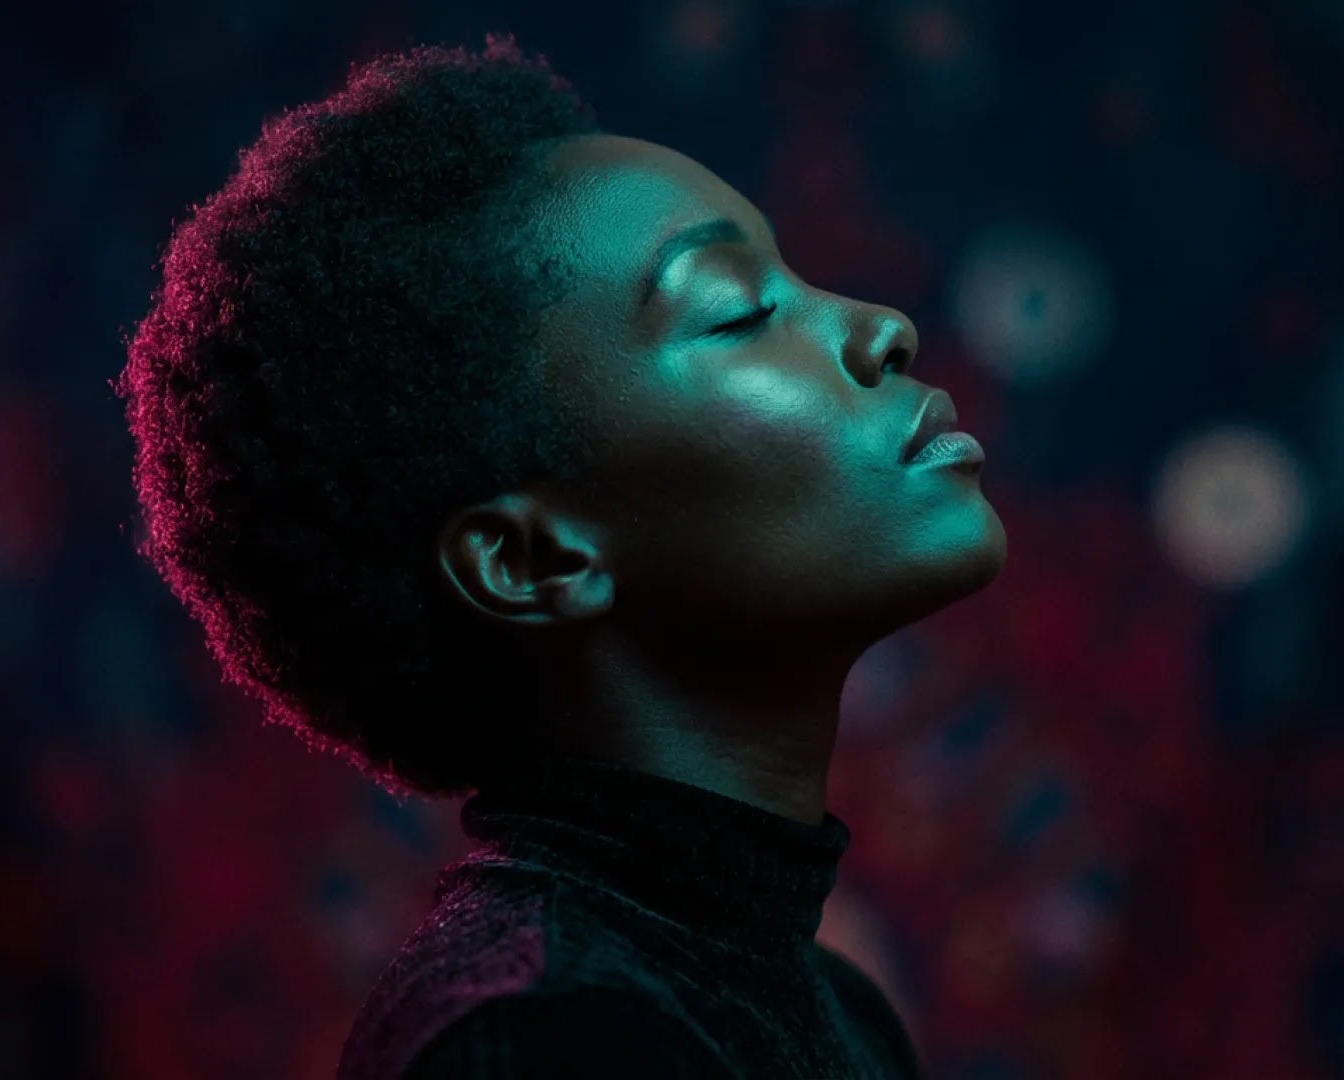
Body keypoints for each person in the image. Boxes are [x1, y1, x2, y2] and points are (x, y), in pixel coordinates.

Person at [114, 30, 1006, 1079]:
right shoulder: (544, 1041)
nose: (883, 328)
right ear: (528, 558)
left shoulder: (836, 1011)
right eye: (739, 309)